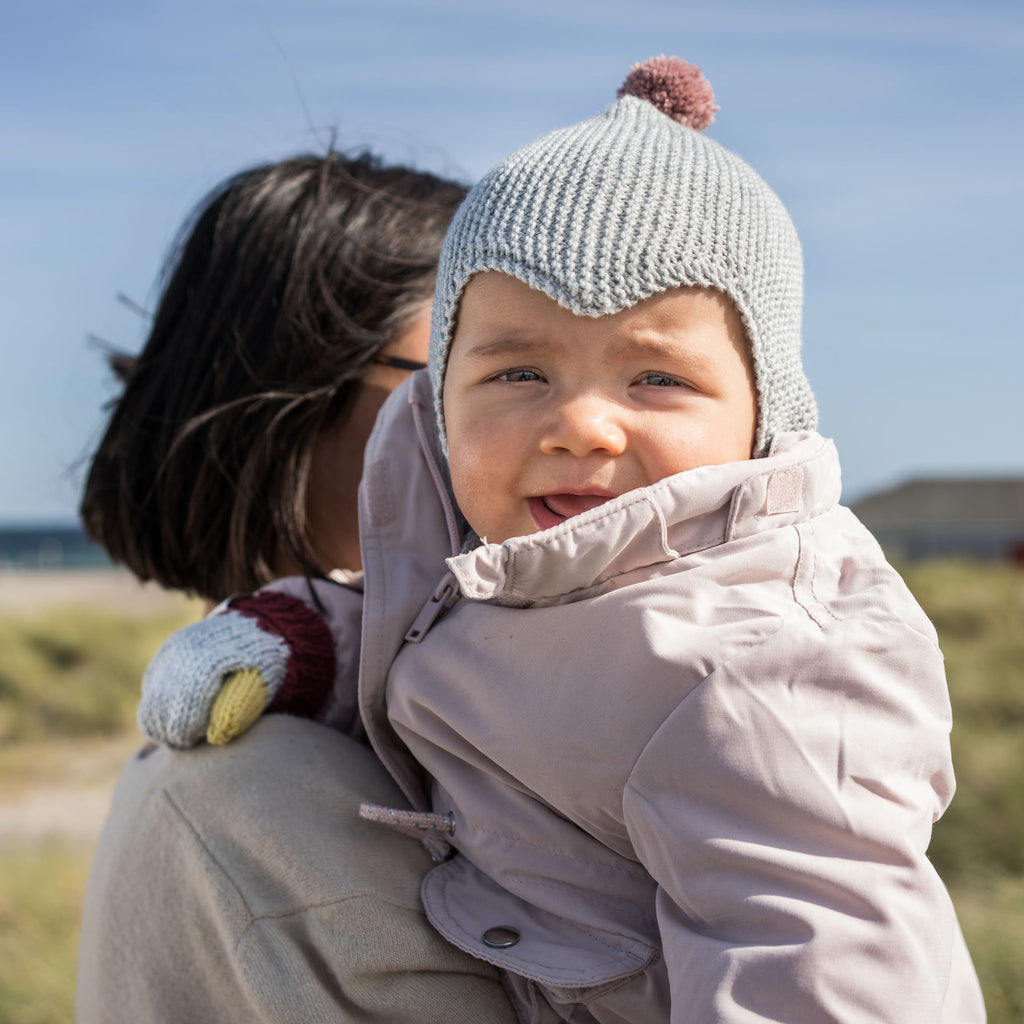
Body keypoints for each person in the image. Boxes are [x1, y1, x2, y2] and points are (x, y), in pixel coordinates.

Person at [137, 59, 986, 1022]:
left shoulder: (760, 666)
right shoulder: (511, 565)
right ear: (441, 399)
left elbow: (822, 967)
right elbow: (424, 630)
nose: (581, 424)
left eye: (657, 378)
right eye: (518, 371)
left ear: (763, 416)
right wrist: (307, 634)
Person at [75, 152, 518, 1023]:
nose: (569, 415)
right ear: (295, 392)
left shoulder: (225, 771)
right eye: (495, 365)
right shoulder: (275, 797)